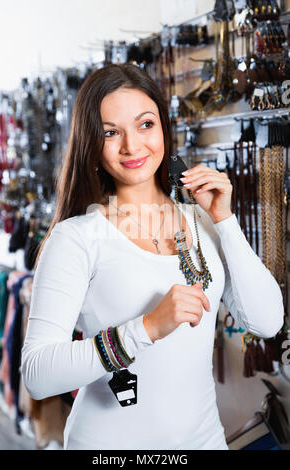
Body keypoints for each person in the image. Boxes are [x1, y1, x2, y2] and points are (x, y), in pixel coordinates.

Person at [21, 64, 284, 450]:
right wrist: (145, 329)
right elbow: (38, 373)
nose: (132, 146)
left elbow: (267, 321)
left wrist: (225, 221)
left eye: (145, 124)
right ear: (91, 144)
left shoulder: (203, 220)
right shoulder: (76, 238)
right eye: (111, 132)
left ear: (163, 127)